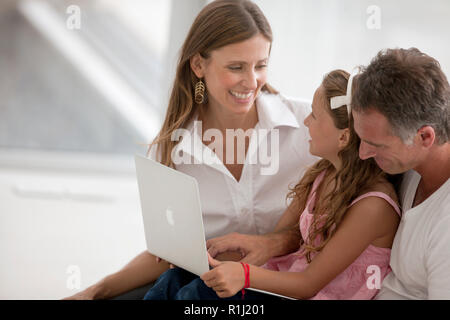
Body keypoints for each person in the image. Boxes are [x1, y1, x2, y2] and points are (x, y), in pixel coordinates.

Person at [63, 0, 316, 300]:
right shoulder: (170, 150)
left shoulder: (309, 127)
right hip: (209, 289)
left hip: (287, 289)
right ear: (198, 65)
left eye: (260, 66)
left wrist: (274, 243)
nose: (251, 81)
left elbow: (347, 211)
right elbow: (166, 255)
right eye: (235, 67)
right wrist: (95, 291)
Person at [142, 69, 402, 300]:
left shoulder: (373, 206)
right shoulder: (322, 174)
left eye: (314, 114)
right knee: (174, 280)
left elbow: (307, 285)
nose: (306, 121)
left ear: (343, 137)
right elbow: (283, 237)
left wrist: (242, 274)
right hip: (282, 282)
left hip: (305, 292)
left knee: (199, 293)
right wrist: (210, 255)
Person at [350, 48, 450, 300]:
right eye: (362, 138)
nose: (363, 154)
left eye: (377, 145)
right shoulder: (408, 166)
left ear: (425, 136)